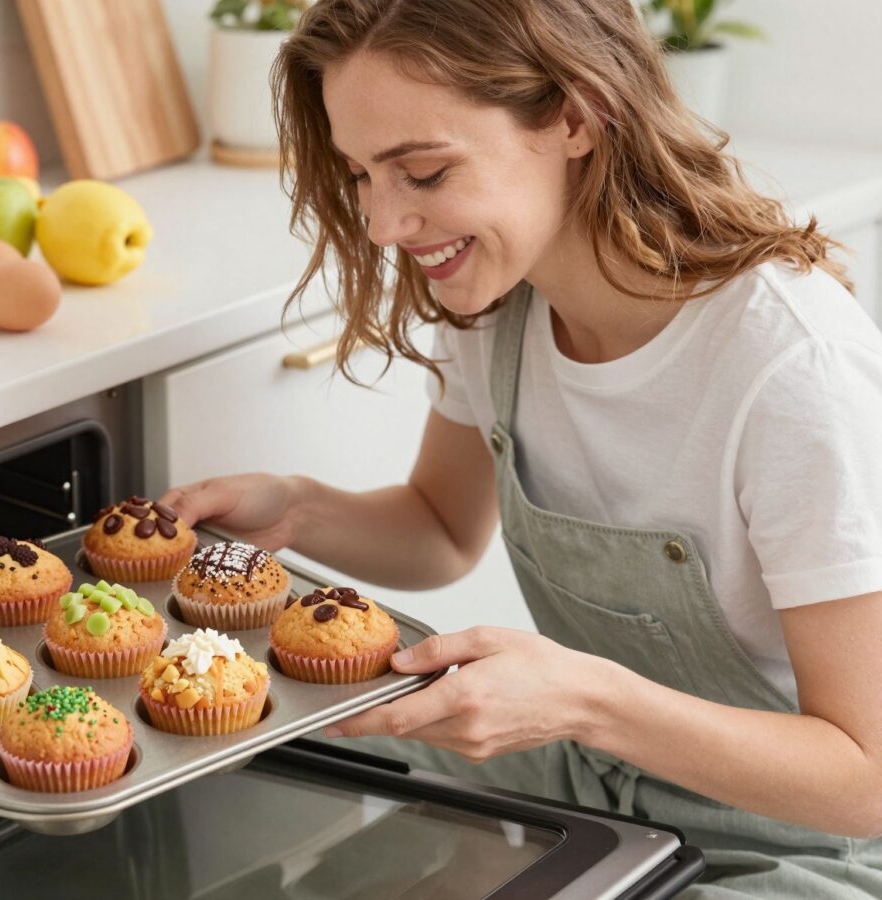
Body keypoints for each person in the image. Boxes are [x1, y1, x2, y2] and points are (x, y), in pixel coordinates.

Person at [159, 0, 882, 895]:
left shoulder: (787, 364)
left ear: (576, 116)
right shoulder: (503, 301)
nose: (384, 225)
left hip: (804, 846)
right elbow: (440, 529)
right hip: (590, 784)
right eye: (360, 176)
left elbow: (865, 779)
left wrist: (582, 700)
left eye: (421, 171)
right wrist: (297, 507)